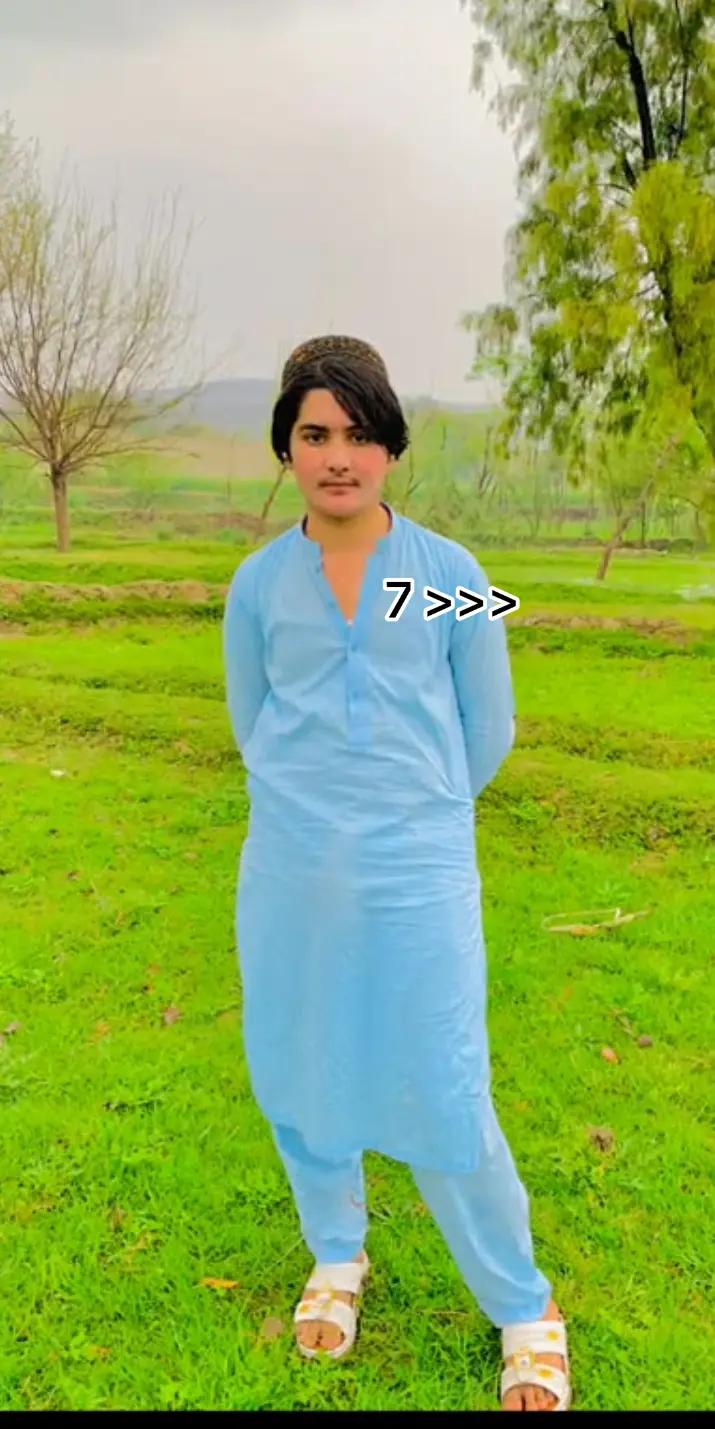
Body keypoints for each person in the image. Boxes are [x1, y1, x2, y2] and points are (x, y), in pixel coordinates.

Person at [222, 335, 572, 1412]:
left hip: (418, 876)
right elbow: (252, 720)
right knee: (302, 1060)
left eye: (360, 433)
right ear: (285, 446)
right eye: (315, 433)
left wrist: (411, 813)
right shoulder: (257, 587)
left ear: (390, 446)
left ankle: (523, 1306)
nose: (338, 456)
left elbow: (488, 725)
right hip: (291, 875)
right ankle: (337, 1254)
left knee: (442, 1079)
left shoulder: (449, 579)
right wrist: (319, 813)